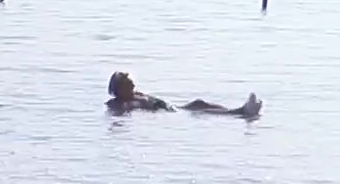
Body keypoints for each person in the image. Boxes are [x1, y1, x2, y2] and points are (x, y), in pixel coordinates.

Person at [106, 71, 261, 118]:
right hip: (169, 114)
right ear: (120, 89)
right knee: (201, 112)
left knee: (199, 103)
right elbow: (120, 113)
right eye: (128, 84)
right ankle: (241, 113)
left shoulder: (135, 94)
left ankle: (240, 110)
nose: (133, 85)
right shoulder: (122, 104)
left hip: (172, 108)